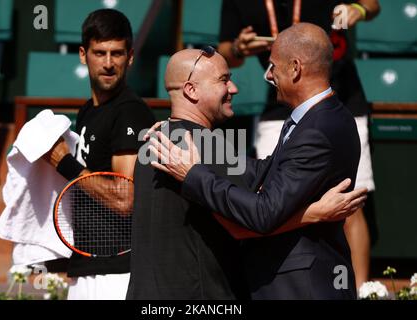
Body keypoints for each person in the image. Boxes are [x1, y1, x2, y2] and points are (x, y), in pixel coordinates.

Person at [129, 45, 367, 299]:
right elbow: (249, 222)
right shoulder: (206, 147)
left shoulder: (151, 143)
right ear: (191, 90)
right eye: (224, 80)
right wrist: (315, 213)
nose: (234, 89)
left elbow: (262, 169)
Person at [218, 0, 380, 289]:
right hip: (282, 98)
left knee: (349, 202)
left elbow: (372, 5)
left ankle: (360, 290)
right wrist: (239, 48)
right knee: (268, 191)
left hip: (340, 95)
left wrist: (359, 10)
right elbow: (225, 51)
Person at [43, 9, 155, 299]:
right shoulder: (88, 110)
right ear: (83, 55)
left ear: (130, 57)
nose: (108, 64)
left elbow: (124, 197)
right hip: (87, 265)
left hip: (117, 272)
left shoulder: (129, 112)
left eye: (116, 54)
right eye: (99, 53)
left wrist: (64, 163)